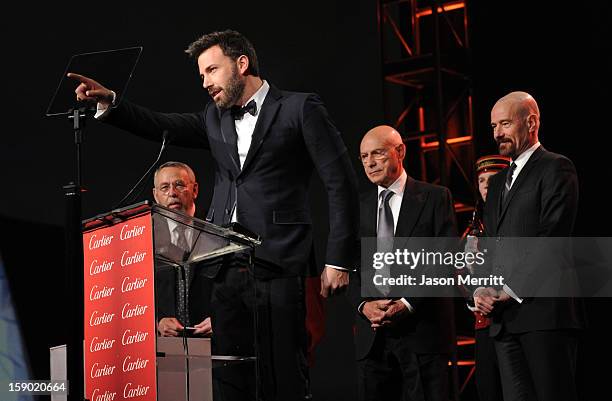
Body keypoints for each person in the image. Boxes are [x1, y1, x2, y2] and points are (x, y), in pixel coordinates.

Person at [68, 29, 359, 401]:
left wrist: (338, 259)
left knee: (283, 373)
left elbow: (341, 183)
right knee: (226, 377)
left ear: (242, 64)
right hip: (224, 267)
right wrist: (112, 102)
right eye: (201, 75)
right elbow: (162, 124)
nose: (204, 82)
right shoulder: (214, 117)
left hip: (280, 261)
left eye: (211, 70)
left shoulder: (300, 109)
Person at [474, 91, 585, 401]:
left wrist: (509, 288)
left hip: (545, 315)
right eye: (493, 126)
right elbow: (490, 245)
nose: (497, 133)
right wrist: (481, 290)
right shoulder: (496, 184)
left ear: (532, 122)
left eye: (505, 123)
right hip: (503, 322)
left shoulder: (556, 167)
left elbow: (552, 238)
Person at [350, 125, 456, 401]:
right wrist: (364, 305)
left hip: (422, 333)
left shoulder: (435, 197)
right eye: (363, 157)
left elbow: (444, 260)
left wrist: (407, 303)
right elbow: (348, 266)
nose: (370, 163)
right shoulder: (357, 207)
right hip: (372, 339)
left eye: (378, 154)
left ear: (400, 152)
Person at [462, 155, 510, 401]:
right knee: (488, 389)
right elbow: (462, 275)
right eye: (482, 181)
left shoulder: (518, 221)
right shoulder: (474, 229)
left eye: (493, 180)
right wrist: (475, 294)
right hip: (484, 323)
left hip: (517, 319)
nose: (487, 186)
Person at [152, 161, 213, 338]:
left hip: (213, 344)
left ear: (194, 190)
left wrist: (220, 318)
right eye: (164, 187)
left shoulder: (217, 234)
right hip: (164, 347)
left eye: (179, 185)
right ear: (155, 196)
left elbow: (236, 289)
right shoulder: (144, 239)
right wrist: (157, 321)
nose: (172, 193)